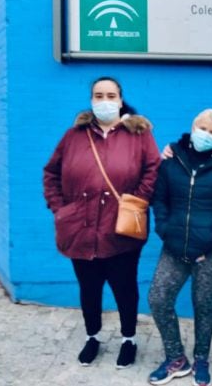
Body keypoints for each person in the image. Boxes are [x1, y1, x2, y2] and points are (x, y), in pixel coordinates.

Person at [43, 76, 161, 369]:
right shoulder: (74, 136)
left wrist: (136, 202)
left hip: (121, 229)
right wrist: (60, 209)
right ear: (92, 100)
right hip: (80, 229)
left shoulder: (140, 135)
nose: (104, 101)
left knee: (124, 288)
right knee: (89, 288)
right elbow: (51, 173)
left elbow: (153, 171)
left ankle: (129, 339)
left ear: (121, 101)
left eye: (111, 95)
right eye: (99, 95)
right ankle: (92, 336)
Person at [147, 109, 212, 386]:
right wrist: (165, 230)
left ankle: (201, 358)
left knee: (203, 304)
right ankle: (176, 358)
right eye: (201, 128)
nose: (205, 134)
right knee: (158, 297)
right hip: (174, 245)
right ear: (192, 128)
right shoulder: (172, 159)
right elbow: (160, 199)